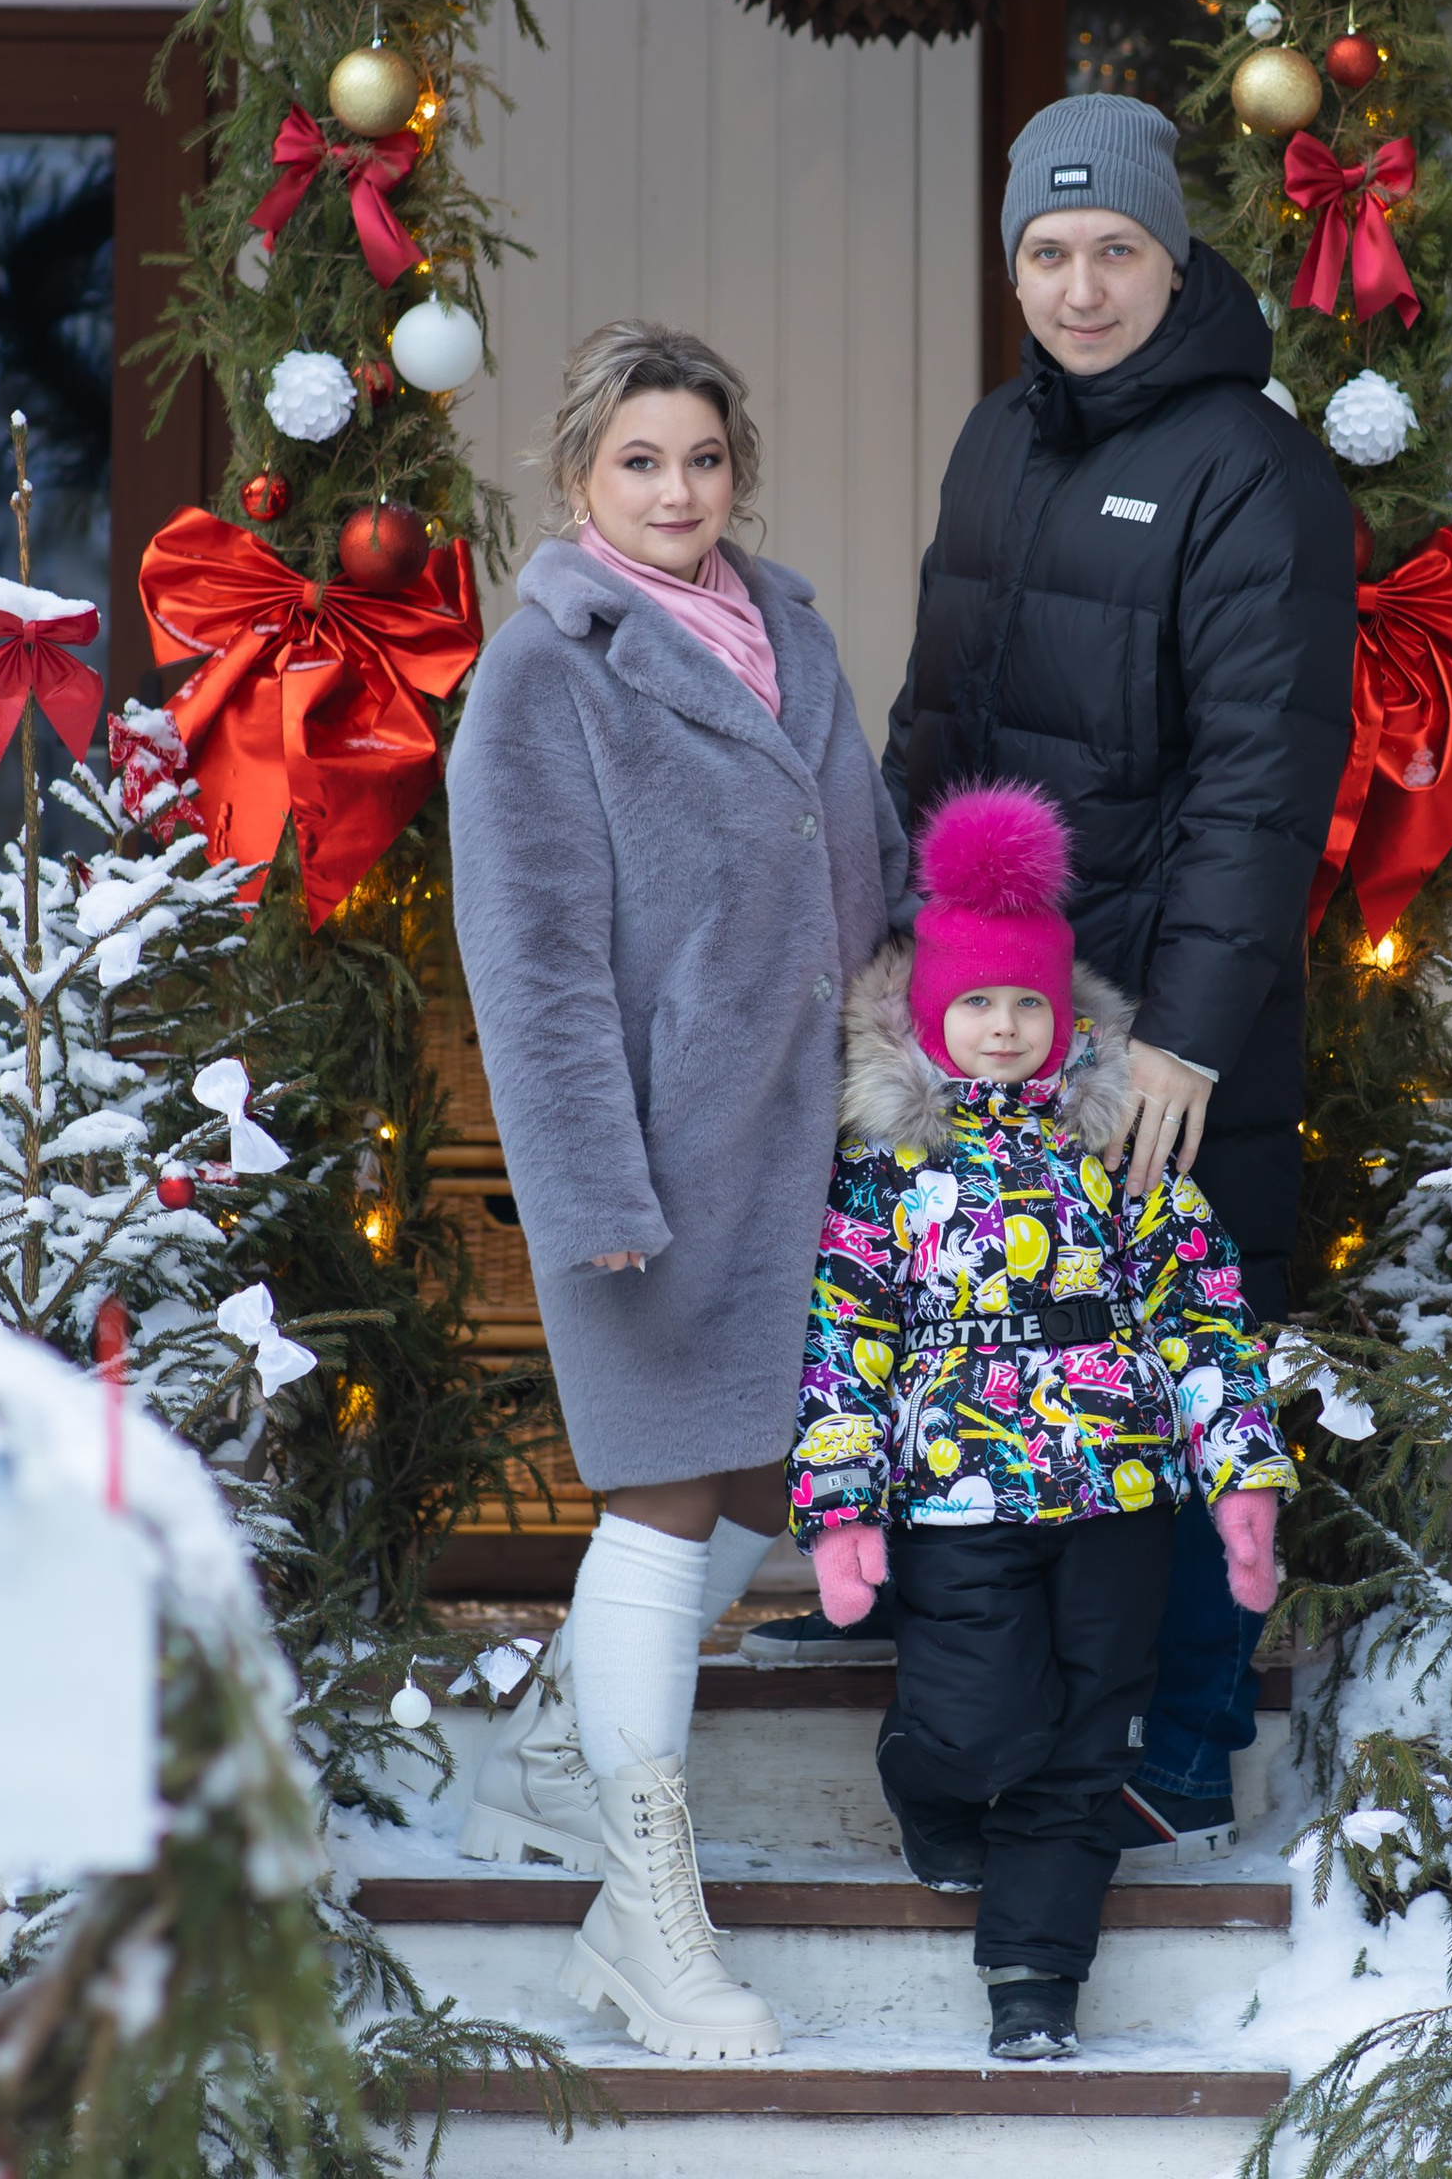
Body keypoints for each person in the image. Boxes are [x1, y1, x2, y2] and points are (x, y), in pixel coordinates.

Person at [754, 95, 1355, 1864]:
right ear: (1010, 263)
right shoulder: (998, 441)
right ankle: (969, 1680)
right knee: (972, 1336)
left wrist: (1187, 1033)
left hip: (1157, 1024)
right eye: (1048, 251)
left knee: (1159, 1358)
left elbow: (1269, 767)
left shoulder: (1256, 468)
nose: (1081, 288)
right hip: (984, 1015)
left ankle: (1179, 1732)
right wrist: (893, 962)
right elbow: (942, 720)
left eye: (1116, 252)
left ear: (1176, 258)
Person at [447, 321, 908, 2061]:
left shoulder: (789, 628)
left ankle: (562, 1756)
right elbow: (536, 959)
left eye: (702, 459)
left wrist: (906, 1084)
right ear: (578, 482)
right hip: (650, 1154)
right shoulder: (540, 678)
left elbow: (856, 858)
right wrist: (586, 1182)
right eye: (638, 462)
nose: (674, 491)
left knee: (779, 1473)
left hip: (812, 1134)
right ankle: (641, 1915)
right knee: (658, 1495)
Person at [792, 782, 1296, 2058]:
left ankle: (1033, 1984)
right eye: (978, 1003)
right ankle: (929, 1780)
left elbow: (1199, 1315)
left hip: (1118, 1490)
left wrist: (1238, 1476)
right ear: (930, 1017)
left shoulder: (1120, 1148)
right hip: (955, 1493)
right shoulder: (889, 1174)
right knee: (978, 1720)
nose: (1006, 1027)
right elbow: (845, 1347)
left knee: (1084, 1739)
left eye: (1028, 1003)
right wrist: (840, 1510)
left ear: (1065, 1016)